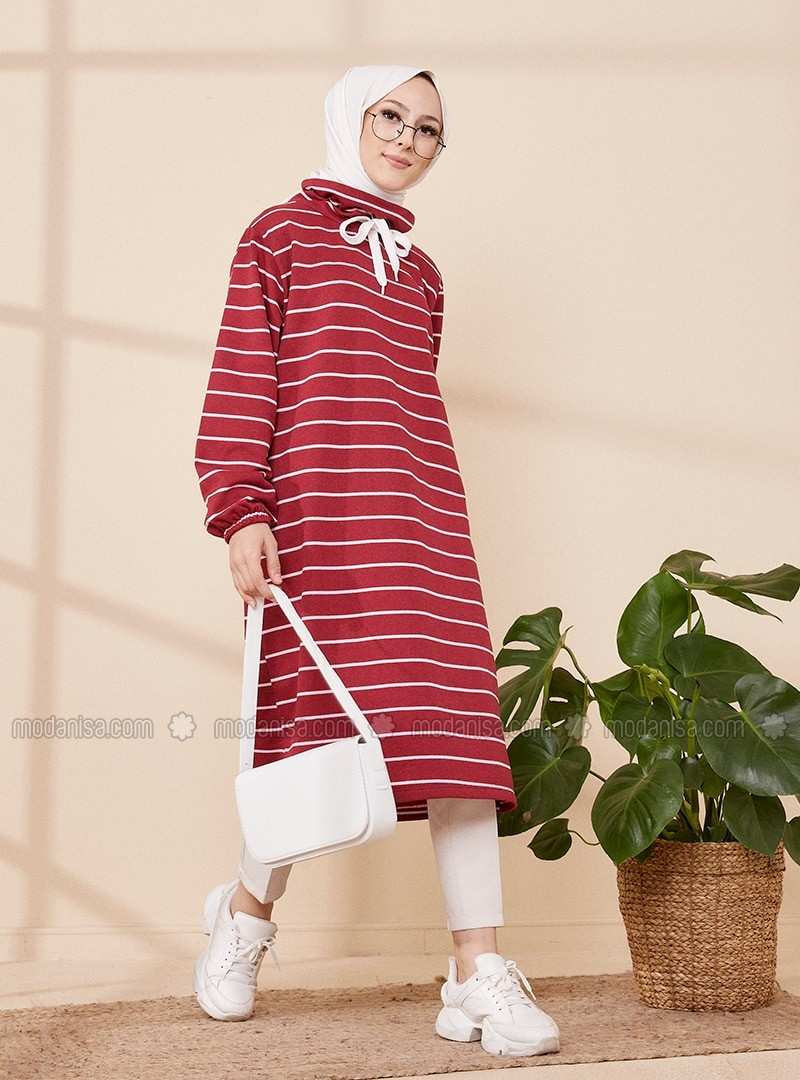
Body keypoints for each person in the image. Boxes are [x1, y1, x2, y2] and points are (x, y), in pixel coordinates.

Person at [191, 64, 560, 1059]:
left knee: (455, 735)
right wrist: (240, 510)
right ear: (349, 120)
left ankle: (476, 971)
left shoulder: (423, 275)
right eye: (389, 116)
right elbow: (243, 379)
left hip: (422, 526)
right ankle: (243, 919)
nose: (406, 138)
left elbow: (405, 408)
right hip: (316, 529)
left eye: (427, 129)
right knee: (310, 745)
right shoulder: (277, 236)